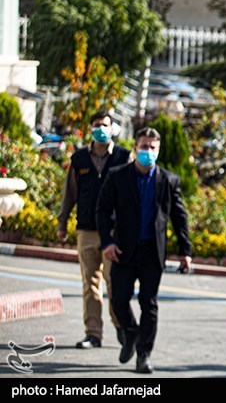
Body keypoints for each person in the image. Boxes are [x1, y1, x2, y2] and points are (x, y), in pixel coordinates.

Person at [96, 127, 193, 374]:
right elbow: (103, 210)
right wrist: (107, 242)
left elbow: (179, 217)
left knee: (148, 303)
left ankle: (144, 355)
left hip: (152, 252)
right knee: (118, 300)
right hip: (122, 250)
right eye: (143, 146)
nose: (147, 151)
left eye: (152, 147)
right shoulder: (118, 176)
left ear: (158, 150)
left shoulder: (169, 180)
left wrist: (185, 251)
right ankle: (130, 332)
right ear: (135, 148)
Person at [56, 109, 130, 350]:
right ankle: (93, 334)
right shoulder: (79, 159)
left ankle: (120, 324)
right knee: (90, 283)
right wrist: (62, 222)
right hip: (86, 229)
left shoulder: (123, 157)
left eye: (105, 124)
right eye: (97, 124)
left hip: (113, 232)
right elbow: (70, 193)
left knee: (114, 282)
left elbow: (132, 197)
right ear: (91, 128)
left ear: (112, 128)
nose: (101, 128)